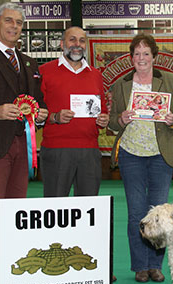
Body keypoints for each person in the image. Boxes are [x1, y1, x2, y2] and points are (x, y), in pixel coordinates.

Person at [109, 34, 173, 283]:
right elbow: (112, 122)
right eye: (137, 54)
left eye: (146, 53)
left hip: (160, 156)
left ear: (154, 56)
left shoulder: (169, 80)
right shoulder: (121, 84)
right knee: (136, 213)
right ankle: (139, 266)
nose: (141, 58)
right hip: (131, 154)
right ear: (131, 58)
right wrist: (121, 119)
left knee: (159, 214)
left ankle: (155, 265)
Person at [0, 2, 48, 284]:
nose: (14, 27)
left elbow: (37, 100)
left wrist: (41, 114)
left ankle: (11, 267)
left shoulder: (29, 62)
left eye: (19, 23)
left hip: (23, 145)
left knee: (15, 211)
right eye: (9, 21)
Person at [39, 27, 109, 197]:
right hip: (56, 150)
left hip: (89, 151)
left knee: (88, 208)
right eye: (72, 40)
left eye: (82, 40)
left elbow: (103, 110)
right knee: (54, 208)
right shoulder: (45, 71)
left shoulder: (96, 75)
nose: (77, 44)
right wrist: (55, 117)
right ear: (62, 43)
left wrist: (104, 119)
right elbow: (36, 111)